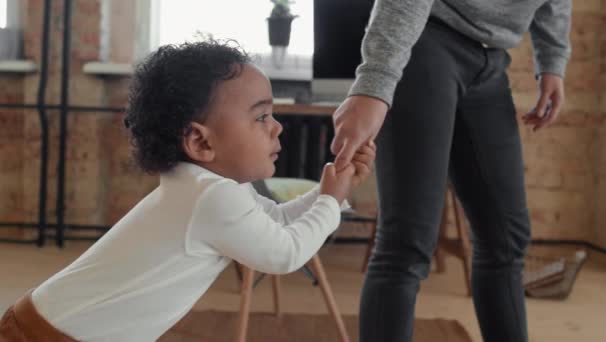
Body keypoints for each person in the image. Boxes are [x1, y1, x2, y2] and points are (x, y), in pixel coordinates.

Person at [0, 39, 376, 341]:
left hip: (50, 320)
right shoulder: (212, 197)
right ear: (200, 142)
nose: (277, 128)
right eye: (261, 117)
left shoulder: (213, 188)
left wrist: (334, 190)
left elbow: (276, 220)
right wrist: (329, 199)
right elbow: (284, 253)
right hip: (51, 333)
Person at [330, 1, 571, 341]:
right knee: (406, 244)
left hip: (491, 59)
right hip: (427, 41)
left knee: (506, 239)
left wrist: (553, 62)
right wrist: (375, 85)